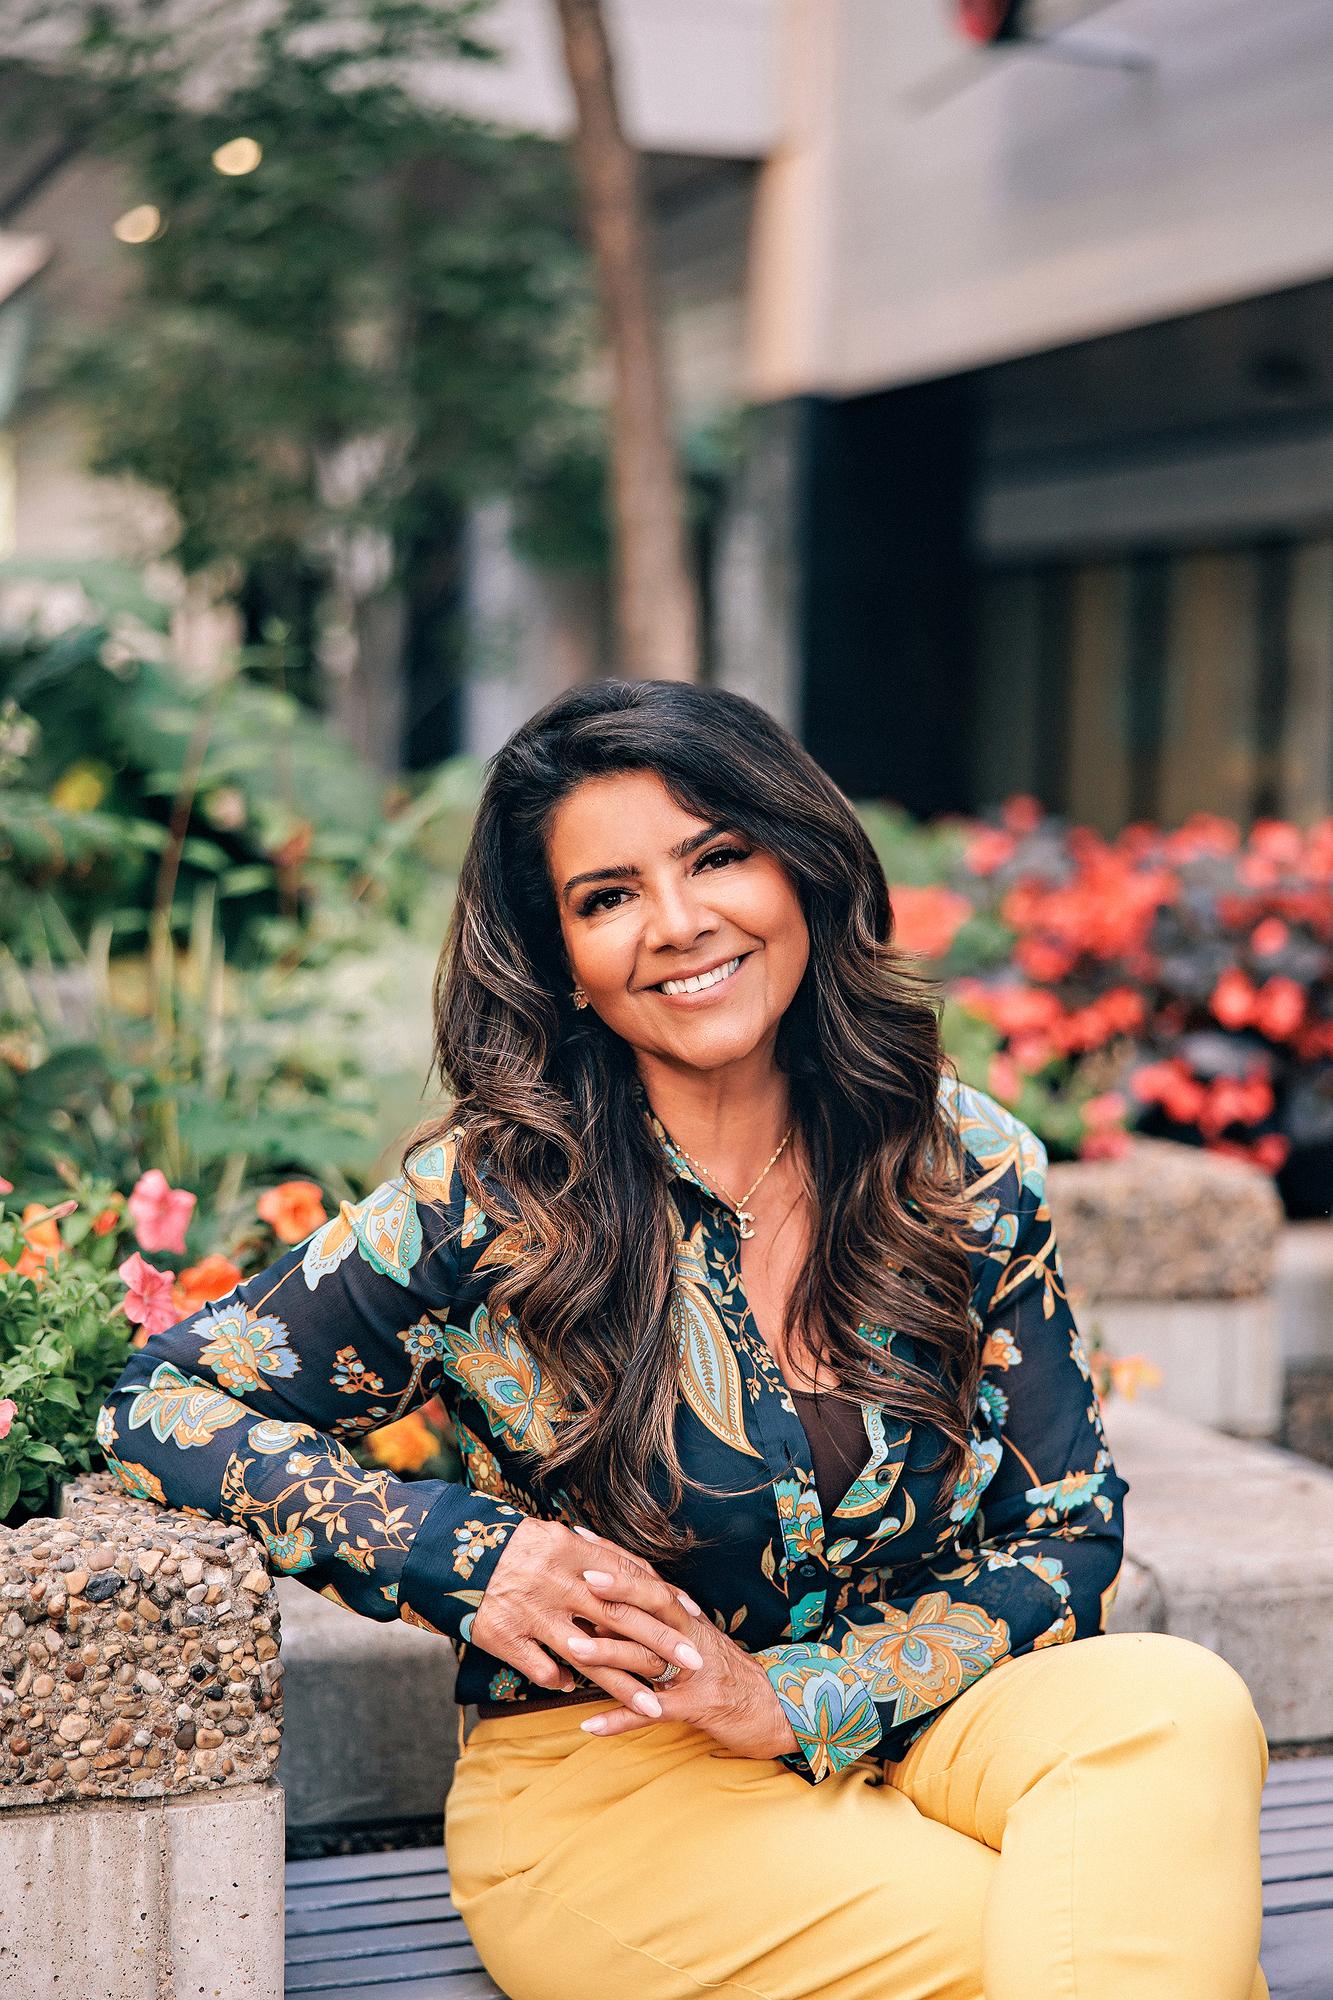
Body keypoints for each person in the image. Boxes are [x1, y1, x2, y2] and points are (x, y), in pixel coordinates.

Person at [96, 680, 1270, 2000]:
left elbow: (1064, 1530)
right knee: (1073, 1936)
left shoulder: (957, 1163)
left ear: (800, 869)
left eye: (716, 855)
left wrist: (802, 1698)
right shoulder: (493, 1201)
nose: (677, 924)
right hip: (620, 1776)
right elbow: (159, 1398)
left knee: (1175, 1706)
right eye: (606, 898)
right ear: (563, 965)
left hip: (919, 1716)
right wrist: (474, 1559)